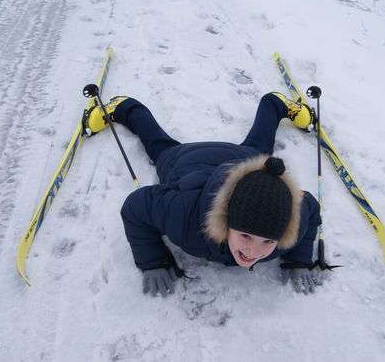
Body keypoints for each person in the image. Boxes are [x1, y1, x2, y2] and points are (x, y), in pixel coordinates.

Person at [83, 92, 325, 297]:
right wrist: (153, 262)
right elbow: (136, 207)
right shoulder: (184, 214)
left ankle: (276, 102)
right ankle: (122, 106)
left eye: (268, 241)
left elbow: (309, 208)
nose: (252, 252)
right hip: (185, 160)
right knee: (157, 143)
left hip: (246, 160)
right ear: (226, 220)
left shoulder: (289, 229)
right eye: (245, 235)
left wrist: (298, 259)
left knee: (261, 141)